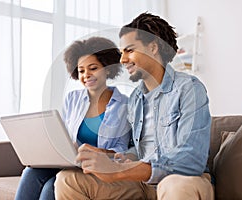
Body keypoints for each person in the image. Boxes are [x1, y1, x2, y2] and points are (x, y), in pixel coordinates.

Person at [55, 12, 214, 200]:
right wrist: (111, 157)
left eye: (129, 50)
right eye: (122, 52)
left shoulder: (188, 89)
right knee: (67, 179)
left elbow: (191, 160)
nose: (122, 60)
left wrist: (120, 172)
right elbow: (138, 151)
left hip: (181, 180)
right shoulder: (136, 98)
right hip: (141, 184)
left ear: (153, 47)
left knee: (174, 186)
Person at [14, 37, 131, 200]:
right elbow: (63, 135)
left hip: (97, 165)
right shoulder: (72, 98)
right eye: (81, 70)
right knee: (31, 171)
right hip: (71, 162)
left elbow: (123, 149)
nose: (86, 75)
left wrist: (99, 153)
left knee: (51, 187)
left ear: (107, 68)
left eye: (93, 68)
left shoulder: (125, 104)